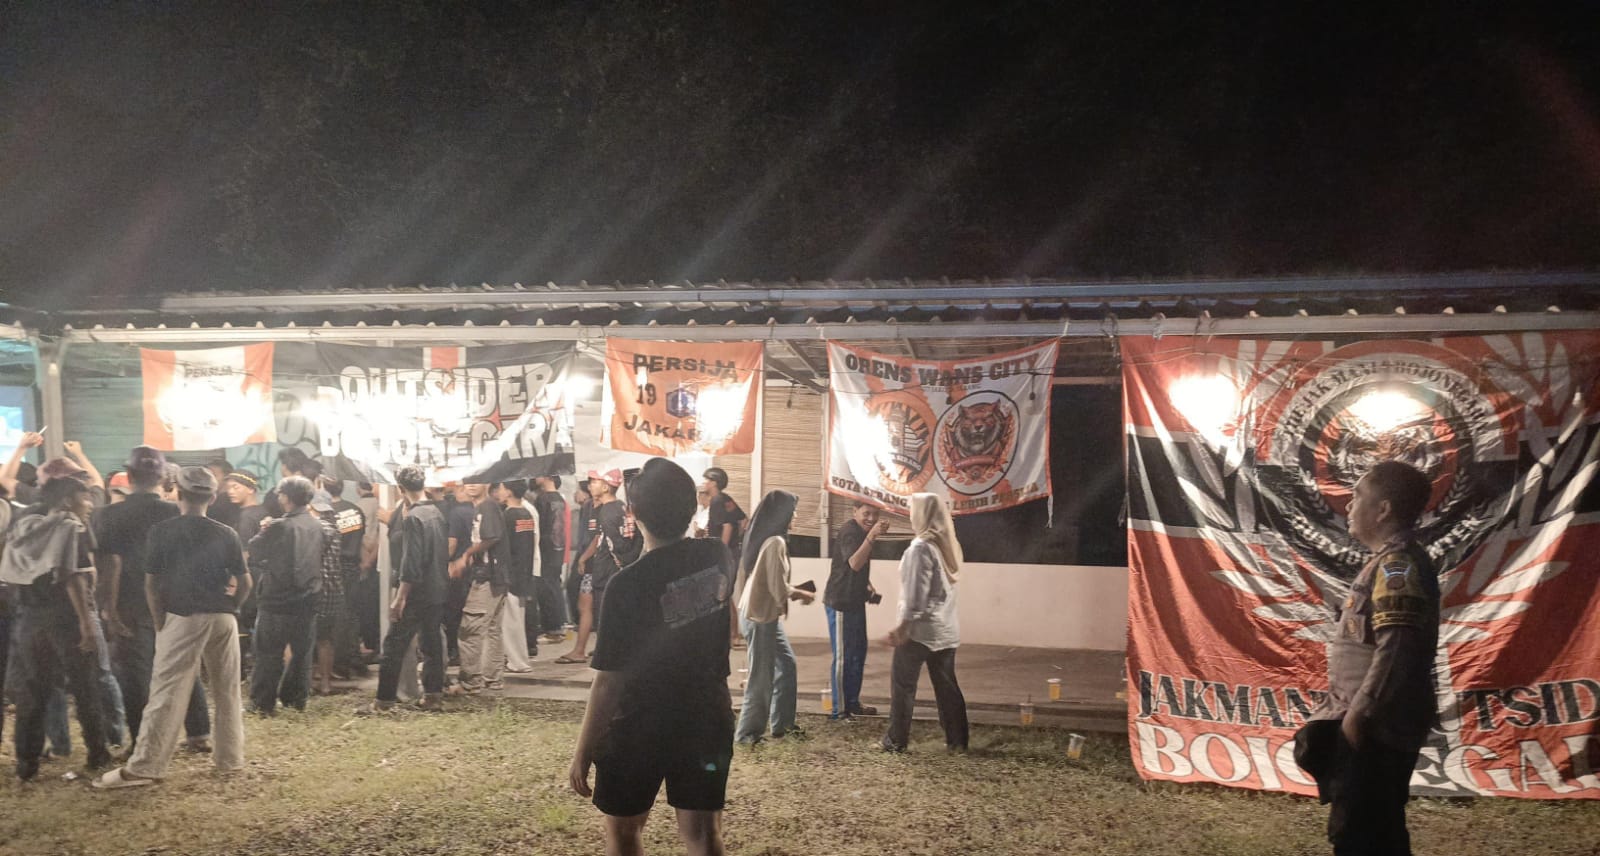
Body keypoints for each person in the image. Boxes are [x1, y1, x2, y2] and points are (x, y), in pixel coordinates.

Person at [568, 457, 734, 856]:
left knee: (624, 832)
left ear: (634, 512)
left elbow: (609, 681)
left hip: (638, 724)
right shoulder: (718, 556)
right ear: (691, 508)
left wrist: (582, 751)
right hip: (706, 716)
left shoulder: (626, 585)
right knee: (703, 834)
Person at [1302, 461, 1439, 856]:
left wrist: (1359, 715)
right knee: (1374, 831)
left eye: (1358, 496)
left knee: (1362, 835)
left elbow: (1397, 649)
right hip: (1371, 723)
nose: (1348, 506)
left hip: (1376, 727)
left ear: (1383, 509)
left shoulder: (1398, 566)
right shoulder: (1385, 562)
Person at [93, 467, 249, 788]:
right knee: (227, 690)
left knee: (166, 692)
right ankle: (230, 760)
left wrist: (159, 620)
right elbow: (245, 582)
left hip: (183, 616)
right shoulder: (226, 533)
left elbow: (152, 584)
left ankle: (145, 767)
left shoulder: (162, 531)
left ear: (178, 493)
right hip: (223, 618)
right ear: (213, 498)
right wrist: (232, 607)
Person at [93, 446, 211, 755]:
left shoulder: (108, 514)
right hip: (176, 601)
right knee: (183, 665)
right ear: (162, 478)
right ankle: (199, 733)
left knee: (136, 677)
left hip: (130, 606)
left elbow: (110, 565)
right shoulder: (177, 512)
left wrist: (109, 608)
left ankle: (142, 743)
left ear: (130, 475)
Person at [1, 475, 113, 780]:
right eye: (84, 497)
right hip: (65, 618)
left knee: (32, 690)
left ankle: (26, 762)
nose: (89, 504)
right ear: (66, 501)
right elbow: (72, 577)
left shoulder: (24, 528)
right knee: (85, 686)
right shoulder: (69, 528)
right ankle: (98, 753)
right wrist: (86, 624)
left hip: (29, 619)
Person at [881, 493, 968, 753]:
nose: (910, 515)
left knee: (903, 687)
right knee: (947, 688)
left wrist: (902, 628)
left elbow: (915, 596)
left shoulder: (920, 548)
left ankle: (896, 740)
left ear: (922, 515)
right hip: (945, 630)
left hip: (919, 632)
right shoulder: (947, 545)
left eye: (913, 510)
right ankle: (958, 740)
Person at [361, 465, 449, 714]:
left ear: (400, 489)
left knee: (393, 645)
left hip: (417, 592)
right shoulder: (436, 512)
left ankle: (384, 701)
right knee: (431, 644)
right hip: (437, 588)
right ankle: (433, 696)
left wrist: (400, 598)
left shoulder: (413, 518)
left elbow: (411, 563)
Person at [734, 490, 814, 744]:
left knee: (787, 664)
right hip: (759, 617)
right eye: (793, 511)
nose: (796, 516)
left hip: (764, 615)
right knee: (761, 676)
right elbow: (777, 586)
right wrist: (800, 593)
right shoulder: (775, 542)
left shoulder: (771, 539)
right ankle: (747, 734)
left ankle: (783, 725)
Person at [246, 476, 327, 714]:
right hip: (308, 597)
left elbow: (254, 550)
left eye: (281, 494)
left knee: (269, 652)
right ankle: (296, 699)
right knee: (302, 653)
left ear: (286, 498)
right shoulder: (317, 525)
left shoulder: (279, 526)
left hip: (278, 598)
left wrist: (263, 529)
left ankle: (262, 702)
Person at [557, 469, 639, 664]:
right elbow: (605, 538)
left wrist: (619, 563)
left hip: (603, 570)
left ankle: (586, 651)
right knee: (597, 609)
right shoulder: (617, 507)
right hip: (603, 568)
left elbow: (612, 543)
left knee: (594, 609)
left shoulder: (608, 510)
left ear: (605, 487)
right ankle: (602, 647)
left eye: (595, 482)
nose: (590, 485)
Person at [825, 501, 889, 719]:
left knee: (857, 654)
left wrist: (867, 585)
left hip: (855, 601)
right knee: (844, 657)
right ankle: (839, 709)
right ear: (855, 512)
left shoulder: (861, 532)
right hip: (840, 602)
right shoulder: (850, 531)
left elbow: (852, 569)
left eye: (875, 514)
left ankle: (852, 703)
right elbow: (854, 563)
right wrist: (873, 535)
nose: (871, 518)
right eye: (866, 513)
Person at [451, 483, 511, 693]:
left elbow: (491, 536)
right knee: (493, 628)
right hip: (496, 576)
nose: (471, 485)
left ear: (486, 484)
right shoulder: (482, 508)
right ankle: (493, 678)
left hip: (488, 576)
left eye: (477, 481)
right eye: (468, 481)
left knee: (470, 629)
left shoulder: (487, 506)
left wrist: (466, 554)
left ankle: (470, 682)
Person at [321, 475, 367, 677]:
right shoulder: (355, 510)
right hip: (353, 566)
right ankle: (354, 658)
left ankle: (340, 664)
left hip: (335, 568)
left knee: (337, 617)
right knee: (352, 613)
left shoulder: (327, 513)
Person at [702, 467, 746, 649]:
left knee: (723, 594)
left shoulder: (717, 500)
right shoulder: (726, 499)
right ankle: (731, 634)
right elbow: (743, 520)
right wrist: (737, 541)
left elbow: (727, 526)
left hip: (726, 554)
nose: (704, 483)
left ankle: (732, 636)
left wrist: (722, 550)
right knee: (723, 594)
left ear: (714, 482)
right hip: (733, 552)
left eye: (706, 480)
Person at [309, 486, 347, 696]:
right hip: (333, 589)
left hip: (314, 588)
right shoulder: (335, 528)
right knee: (325, 639)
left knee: (304, 637)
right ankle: (325, 683)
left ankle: (304, 683)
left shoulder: (315, 529)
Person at [496, 480, 541, 658]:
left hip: (511, 575)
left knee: (511, 622)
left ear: (509, 492)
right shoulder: (526, 514)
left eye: (501, 488)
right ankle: (520, 658)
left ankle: (516, 661)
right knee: (518, 619)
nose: (498, 492)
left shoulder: (508, 516)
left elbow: (504, 549)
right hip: (525, 572)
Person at [532, 474, 569, 643]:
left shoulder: (544, 499)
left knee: (547, 587)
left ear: (548, 477)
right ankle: (557, 625)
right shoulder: (560, 499)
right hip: (556, 549)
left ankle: (553, 629)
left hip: (546, 549)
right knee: (553, 585)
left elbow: (544, 527)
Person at [565, 481, 594, 633]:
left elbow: (588, 535)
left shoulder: (589, 507)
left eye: (578, 490)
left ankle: (582, 621)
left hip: (586, 552)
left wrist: (583, 556)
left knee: (575, 586)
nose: (575, 494)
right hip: (583, 551)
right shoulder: (584, 508)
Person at [204, 457, 241, 530]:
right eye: (207, 475)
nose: (208, 479)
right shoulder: (215, 498)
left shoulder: (226, 501)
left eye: (213, 475)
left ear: (226, 478)